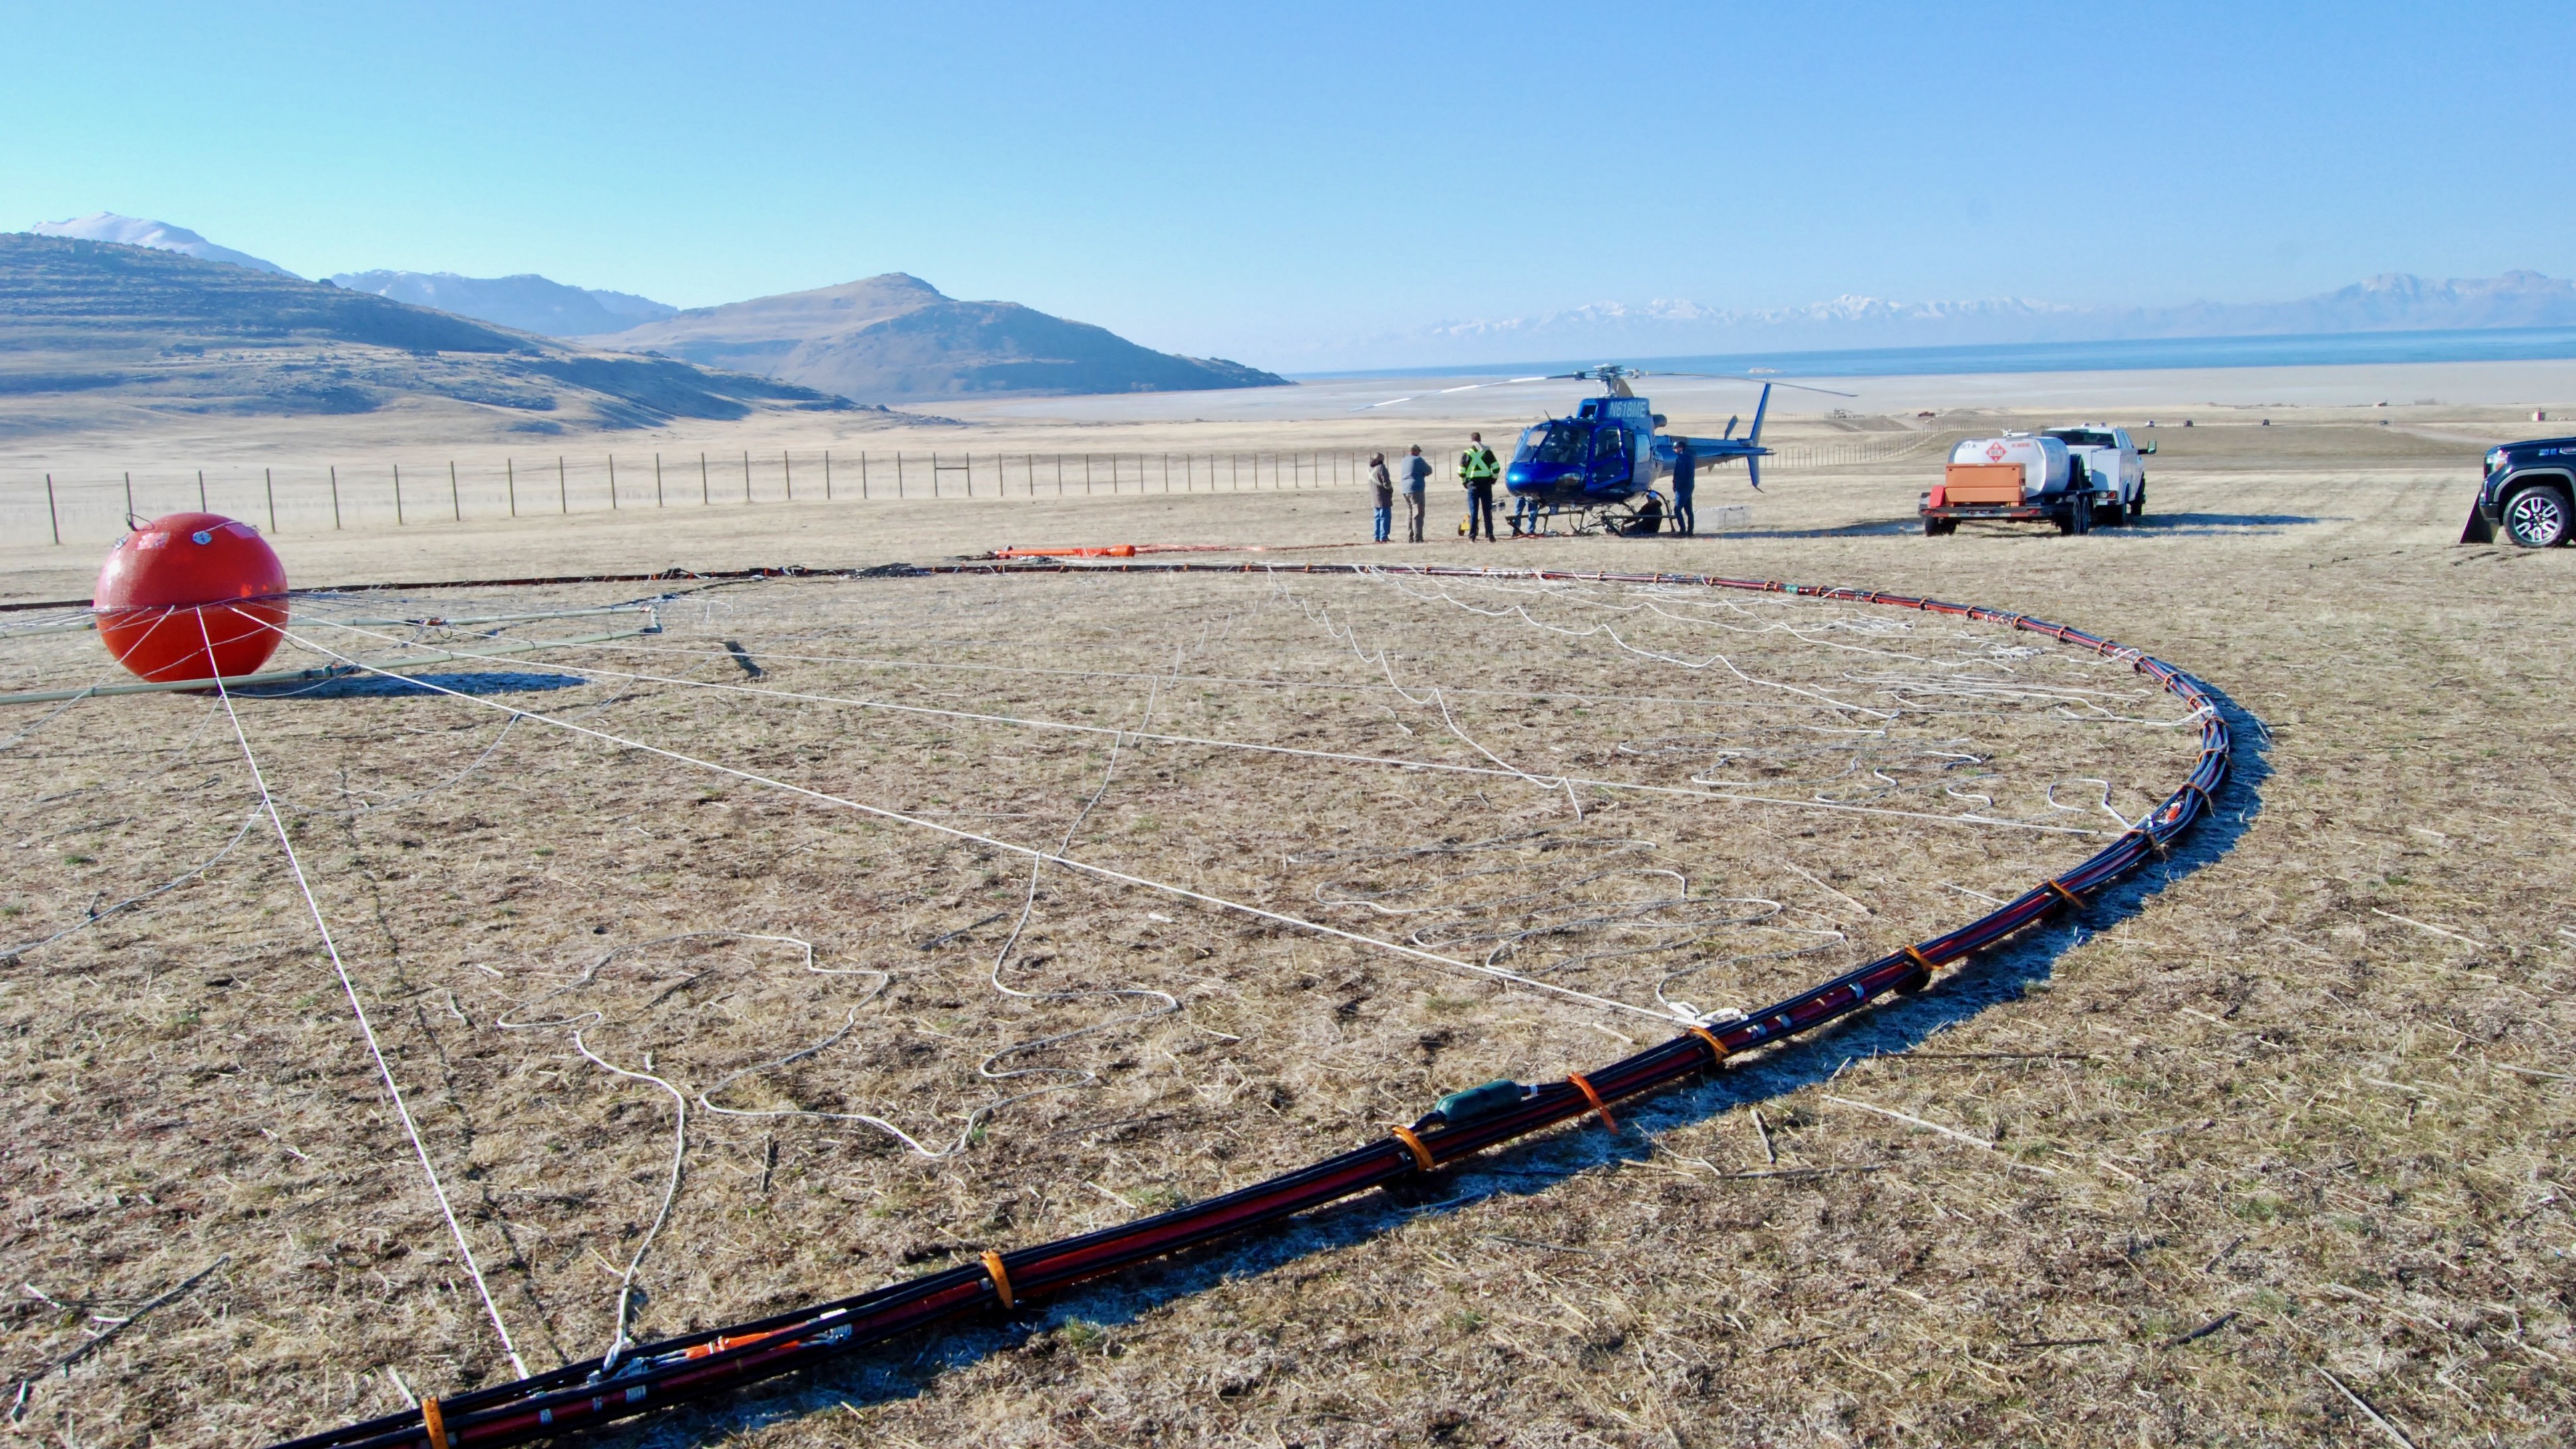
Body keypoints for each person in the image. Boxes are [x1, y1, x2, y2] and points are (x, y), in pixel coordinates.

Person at [1460, 431, 1500, 540]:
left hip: (1472, 485)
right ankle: (1490, 535)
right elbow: (1496, 468)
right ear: (1480, 440)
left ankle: (1472, 536)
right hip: (1486, 484)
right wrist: (1493, 479)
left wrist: (1464, 482)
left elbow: (1461, 471)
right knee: (1487, 511)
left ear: (1472, 440)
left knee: (1474, 511)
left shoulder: (1467, 453)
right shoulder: (1488, 452)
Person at [1401, 444, 1431, 541]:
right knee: (1418, 513)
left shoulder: (1404, 460)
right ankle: (1418, 537)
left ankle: (1410, 536)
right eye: (1418, 451)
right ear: (1415, 451)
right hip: (1416, 489)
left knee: (1409, 513)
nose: (1419, 453)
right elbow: (1429, 470)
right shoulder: (1418, 460)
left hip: (1405, 489)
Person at [1671, 437, 1696, 536]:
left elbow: (1680, 474)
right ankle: (1690, 530)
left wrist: (1676, 486)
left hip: (1683, 488)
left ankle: (1683, 530)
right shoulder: (1690, 457)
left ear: (1681, 448)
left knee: (1677, 509)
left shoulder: (1681, 459)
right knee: (1689, 510)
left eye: (1676, 448)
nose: (1674, 450)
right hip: (1690, 486)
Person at [1368, 452, 1394, 543]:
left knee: (1377, 518)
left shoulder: (1370, 469)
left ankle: (1377, 537)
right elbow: (1386, 483)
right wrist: (1391, 490)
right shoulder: (1381, 468)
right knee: (1385, 517)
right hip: (1383, 497)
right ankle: (1384, 537)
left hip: (1374, 497)